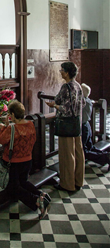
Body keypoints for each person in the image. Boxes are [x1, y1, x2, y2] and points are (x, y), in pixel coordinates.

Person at [0, 100, 51, 219]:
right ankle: (42, 195)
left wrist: (4, 127)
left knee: (14, 187)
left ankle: (37, 200)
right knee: (23, 182)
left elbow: (1, 140)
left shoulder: (12, 129)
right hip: (27, 161)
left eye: (10, 114)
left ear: (13, 115)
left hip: (14, 163)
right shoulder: (30, 125)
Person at [46, 62, 85, 192]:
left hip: (66, 125)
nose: (60, 72)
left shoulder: (66, 87)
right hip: (77, 124)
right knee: (78, 153)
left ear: (67, 73)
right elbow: (82, 103)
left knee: (67, 156)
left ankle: (67, 184)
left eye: (62, 70)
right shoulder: (78, 85)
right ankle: (78, 181)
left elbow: (65, 109)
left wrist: (55, 106)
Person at [81, 83, 110, 170]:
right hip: (87, 126)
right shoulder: (89, 101)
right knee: (90, 147)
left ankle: (106, 158)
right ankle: (106, 155)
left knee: (83, 151)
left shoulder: (82, 103)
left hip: (83, 127)